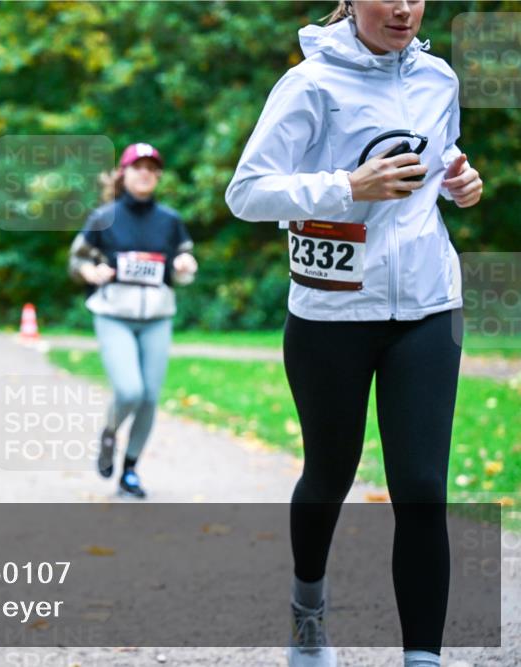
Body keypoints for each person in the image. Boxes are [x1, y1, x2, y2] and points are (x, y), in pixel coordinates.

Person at [225, 2, 483, 666]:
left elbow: (439, 152)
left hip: (428, 307)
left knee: (423, 487)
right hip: (331, 316)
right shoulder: (310, 84)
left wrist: (459, 178)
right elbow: (247, 192)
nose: (402, 8)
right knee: (329, 475)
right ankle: (308, 608)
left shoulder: (439, 79)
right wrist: (346, 185)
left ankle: (421, 657)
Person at [68, 142, 198, 499]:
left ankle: (129, 471)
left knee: (150, 398)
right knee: (130, 391)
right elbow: (75, 262)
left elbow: (184, 264)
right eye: (137, 166)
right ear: (123, 174)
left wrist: (186, 268)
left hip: (157, 317)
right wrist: (91, 271)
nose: (145, 173)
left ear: (157, 176)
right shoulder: (103, 217)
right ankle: (109, 432)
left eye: (152, 167)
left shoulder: (170, 221)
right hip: (114, 316)